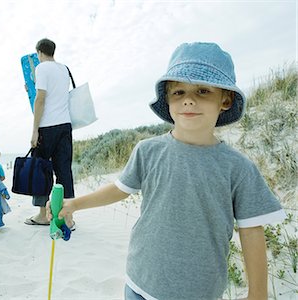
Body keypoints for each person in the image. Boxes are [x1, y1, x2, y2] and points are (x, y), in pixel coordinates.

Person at [47, 42, 286, 299]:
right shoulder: (148, 151)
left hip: (199, 290)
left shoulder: (238, 168)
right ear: (168, 100)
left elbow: (251, 230)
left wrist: (257, 293)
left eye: (203, 91)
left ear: (225, 100)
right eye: (179, 92)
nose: (189, 100)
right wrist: (74, 204)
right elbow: (119, 189)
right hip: (139, 280)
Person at [25, 38, 75, 228]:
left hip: (47, 126)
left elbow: (41, 100)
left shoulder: (41, 68)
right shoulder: (64, 69)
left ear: (39, 52)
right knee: (64, 171)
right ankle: (68, 218)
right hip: (65, 126)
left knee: (41, 170)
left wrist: (35, 130)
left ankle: (43, 215)